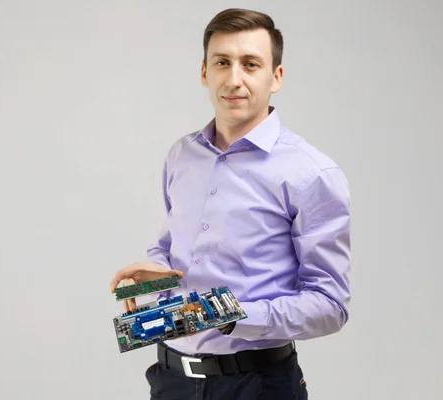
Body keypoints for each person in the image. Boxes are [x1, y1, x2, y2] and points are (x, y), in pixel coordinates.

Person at [109, 7, 350, 400]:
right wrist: (158, 274)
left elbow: (330, 305)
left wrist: (229, 315)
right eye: (222, 62)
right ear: (205, 72)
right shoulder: (181, 155)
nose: (234, 79)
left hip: (257, 385)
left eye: (250, 64)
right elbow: (168, 247)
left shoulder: (312, 173)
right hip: (171, 380)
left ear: (276, 77)